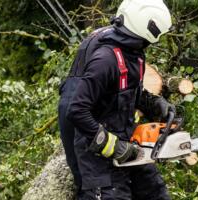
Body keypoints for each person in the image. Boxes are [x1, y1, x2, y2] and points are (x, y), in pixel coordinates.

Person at [57, 0, 175, 199]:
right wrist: (113, 146)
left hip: (126, 141)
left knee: (155, 192)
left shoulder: (132, 53)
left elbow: (128, 91)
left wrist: (154, 103)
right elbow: (76, 111)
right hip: (95, 153)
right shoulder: (105, 60)